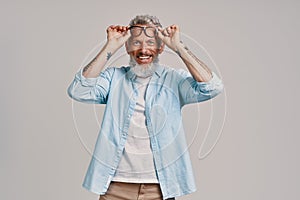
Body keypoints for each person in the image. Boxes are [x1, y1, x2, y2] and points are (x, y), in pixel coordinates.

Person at [68, 14, 223, 200]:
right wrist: (109, 47)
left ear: (160, 47)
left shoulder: (174, 79)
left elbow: (212, 87)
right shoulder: (113, 79)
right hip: (115, 186)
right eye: (136, 43)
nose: (143, 50)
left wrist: (179, 47)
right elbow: (78, 90)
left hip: (160, 188)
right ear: (127, 47)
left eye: (150, 42)